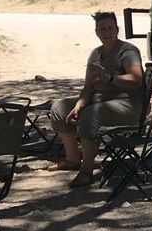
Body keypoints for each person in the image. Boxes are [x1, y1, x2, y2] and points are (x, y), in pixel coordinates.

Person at [47, 11, 146, 189]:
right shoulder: (95, 54)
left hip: (127, 104)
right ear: (96, 32)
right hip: (99, 100)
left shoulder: (128, 51)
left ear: (117, 29)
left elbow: (137, 79)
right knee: (59, 108)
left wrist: (110, 78)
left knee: (91, 114)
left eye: (110, 28)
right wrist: (78, 106)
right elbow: (88, 88)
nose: (107, 32)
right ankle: (73, 159)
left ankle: (86, 171)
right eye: (102, 29)